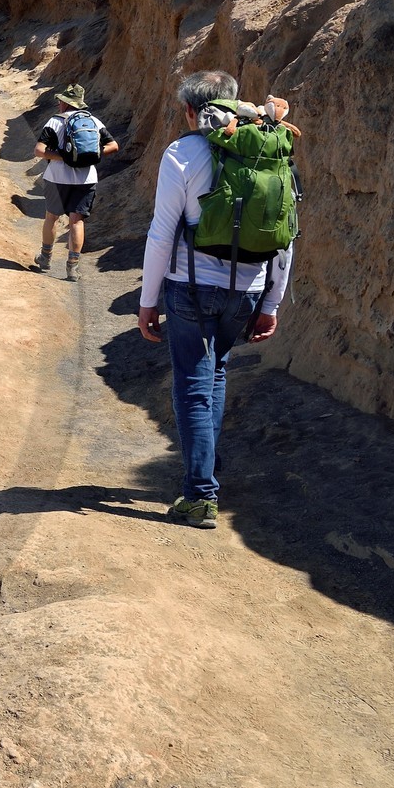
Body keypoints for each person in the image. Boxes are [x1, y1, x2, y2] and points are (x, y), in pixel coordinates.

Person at [137, 71, 294, 529]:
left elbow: (162, 232)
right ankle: (205, 464)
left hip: (189, 287)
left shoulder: (181, 154)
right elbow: (287, 238)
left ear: (191, 111)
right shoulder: (269, 150)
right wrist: (272, 304)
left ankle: (200, 493)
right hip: (246, 289)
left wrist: (149, 300)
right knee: (216, 370)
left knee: (191, 380)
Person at [32, 83, 118, 282]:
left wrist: (65, 157)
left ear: (65, 103)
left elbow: (39, 150)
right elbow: (113, 145)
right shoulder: (94, 121)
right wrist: (90, 156)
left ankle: (45, 257)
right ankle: (72, 267)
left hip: (56, 179)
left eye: (60, 101)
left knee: (51, 217)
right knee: (76, 221)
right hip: (86, 179)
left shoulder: (54, 122)